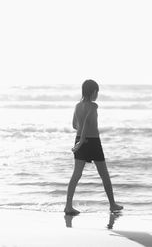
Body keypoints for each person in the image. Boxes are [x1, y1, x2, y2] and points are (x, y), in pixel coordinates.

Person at [64, 79, 123, 215]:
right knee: (104, 175)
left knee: (76, 175)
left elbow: (75, 125)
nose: (97, 94)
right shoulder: (93, 106)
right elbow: (87, 123)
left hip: (79, 140)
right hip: (92, 142)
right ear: (93, 92)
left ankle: (68, 206)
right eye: (97, 91)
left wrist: (80, 140)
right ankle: (112, 204)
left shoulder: (77, 106)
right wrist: (84, 139)